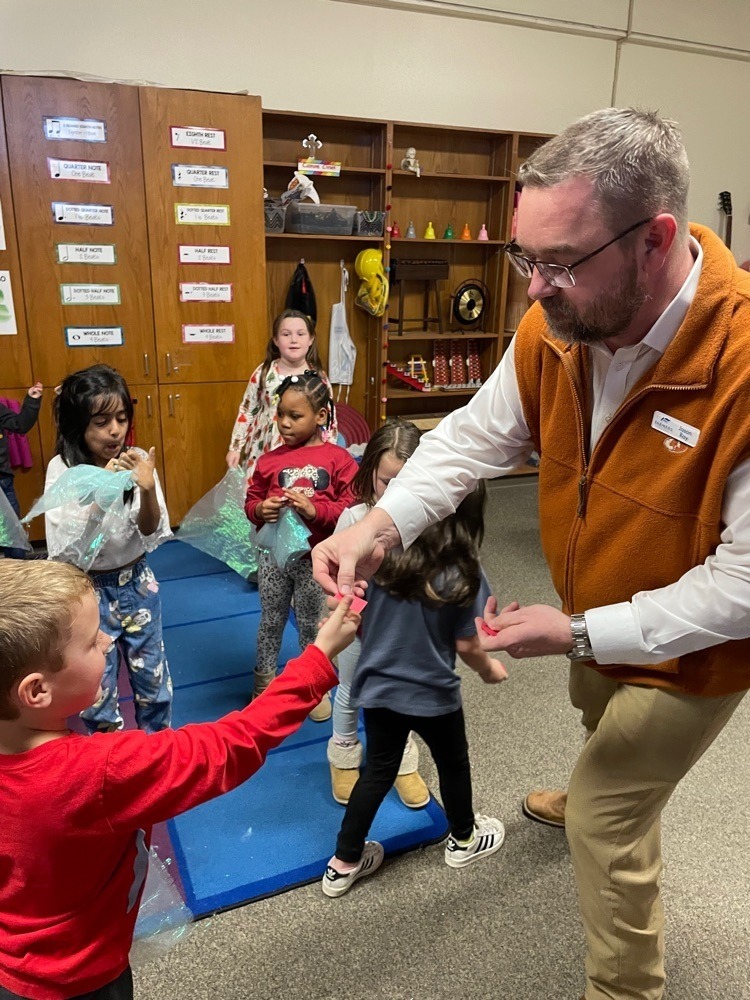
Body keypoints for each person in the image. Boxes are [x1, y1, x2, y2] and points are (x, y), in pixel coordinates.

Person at [312, 107, 750, 1000]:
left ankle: (626, 985)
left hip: (698, 652)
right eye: (526, 258)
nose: (533, 289)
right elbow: (472, 439)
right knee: (601, 729)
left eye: (560, 263)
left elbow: (743, 586)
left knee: (603, 819)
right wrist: (378, 524)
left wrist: (583, 630)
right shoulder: (555, 326)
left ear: (654, 240)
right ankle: (606, 783)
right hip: (590, 617)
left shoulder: (742, 364)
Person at [0, 559, 359, 1000]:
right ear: (37, 691)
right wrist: (318, 659)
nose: (109, 640)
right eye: (92, 642)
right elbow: (233, 744)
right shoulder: (99, 772)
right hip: (84, 979)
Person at [322, 481, 507, 898]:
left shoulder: (381, 558)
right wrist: (490, 668)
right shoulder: (464, 571)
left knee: (377, 771)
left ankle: (343, 862)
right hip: (433, 696)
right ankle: (463, 839)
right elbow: (468, 642)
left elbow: (355, 615)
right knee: (454, 763)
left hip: (379, 690)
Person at [46, 364, 173, 735]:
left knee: (154, 684)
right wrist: (104, 495)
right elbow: (68, 546)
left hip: (136, 584)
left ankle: (158, 752)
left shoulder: (135, 460)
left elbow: (151, 529)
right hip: (88, 593)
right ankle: (109, 762)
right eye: (101, 422)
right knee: (97, 692)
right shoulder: (64, 469)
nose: (115, 430)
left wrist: (147, 487)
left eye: (121, 418)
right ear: (78, 424)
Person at [328, 418, 429, 809]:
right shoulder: (354, 520)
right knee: (351, 691)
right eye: (388, 482)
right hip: (360, 627)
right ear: (370, 473)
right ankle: (344, 753)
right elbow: (340, 583)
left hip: (405, 632)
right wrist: (353, 618)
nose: (394, 494)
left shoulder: (426, 521)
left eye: (406, 485)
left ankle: (399, 758)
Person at [245, 371, 357, 718]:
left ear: (321, 416)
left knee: (311, 622)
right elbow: (251, 503)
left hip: (316, 558)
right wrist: (261, 509)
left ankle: (312, 687)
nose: (284, 423)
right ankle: (264, 683)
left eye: (296, 416)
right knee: (271, 618)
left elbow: (350, 509)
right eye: (281, 414)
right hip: (274, 559)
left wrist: (315, 509)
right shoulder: (268, 461)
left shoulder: (339, 459)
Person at [226, 309, 338, 480]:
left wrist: (330, 452)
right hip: (263, 451)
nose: (294, 340)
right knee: (262, 499)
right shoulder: (263, 373)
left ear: (311, 339)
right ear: (276, 340)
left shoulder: (319, 378)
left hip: (305, 453)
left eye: (300, 334)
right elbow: (247, 411)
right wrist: (235, 447)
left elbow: (330, 420)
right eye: (286, 334)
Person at [0, 382, 42, 559]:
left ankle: (20, 578)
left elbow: (20, 424)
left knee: (13, 532)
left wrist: (32, 400)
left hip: (3, 479)